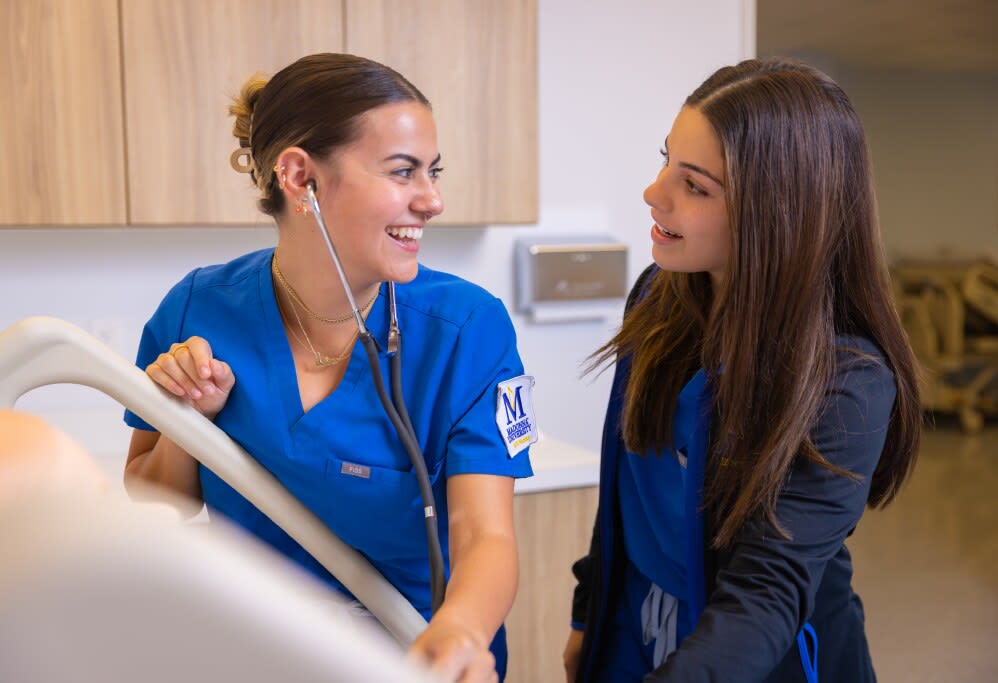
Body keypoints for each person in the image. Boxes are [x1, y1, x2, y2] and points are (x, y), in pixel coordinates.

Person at [123, 53, 536, 683]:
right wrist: (190, 424)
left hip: (417, 654)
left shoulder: (467, 329)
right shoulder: (198, 309)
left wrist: (461, 629)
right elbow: (154, 500)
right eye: (403, 172)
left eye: (433, 172)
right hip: (251, 651)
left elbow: (484, 534)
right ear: (300, 177)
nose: (432, 201)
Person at [563, 58, 921, 682]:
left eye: (695, 186)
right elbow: (623, 490)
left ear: (778, 212)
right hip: (635, 628)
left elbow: (767, 594)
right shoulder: (657, 296)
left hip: (749, 655)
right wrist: (587, 613)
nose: (654, 193)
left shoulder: (847, 379)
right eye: (665, 161)